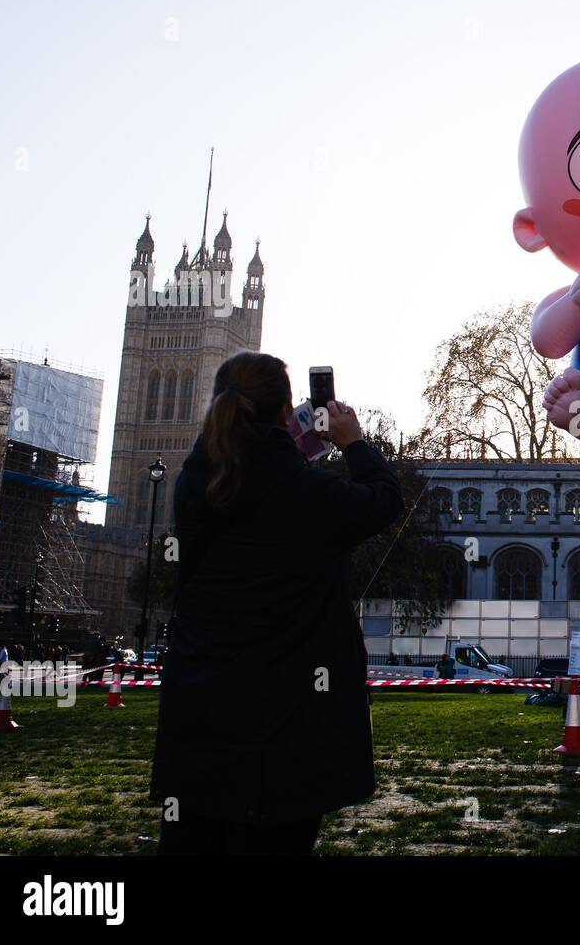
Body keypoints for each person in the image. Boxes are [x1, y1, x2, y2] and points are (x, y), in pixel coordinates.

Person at [150, 352, 404, 856]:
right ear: (286, 410)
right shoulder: (309, 494)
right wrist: (351, 441)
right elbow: (383, 498)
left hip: (202, 707)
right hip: (288, 721)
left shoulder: (192, 486)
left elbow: (251, 476)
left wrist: (289, 447)